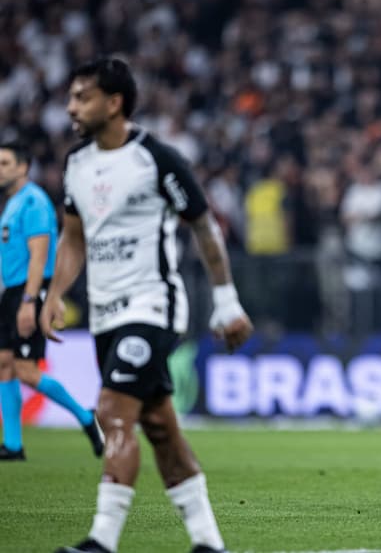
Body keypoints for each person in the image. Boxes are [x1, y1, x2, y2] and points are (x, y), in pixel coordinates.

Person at [40, 58, 253, 553]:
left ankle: (102, 539)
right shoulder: (77, 163)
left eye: (82, 97)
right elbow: (73, 240)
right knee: (160, 427)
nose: (71, 107)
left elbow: (203, 225)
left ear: (114, 103)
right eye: (71, 97)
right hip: (104, 311)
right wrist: (53, 295)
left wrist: (226, 301)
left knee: (113, 410)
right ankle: (208, 542)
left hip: (152, 305)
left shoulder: (156, 158)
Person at [0, 141, 103, 461]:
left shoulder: (33, 202)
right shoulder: (13, 203)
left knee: (27, 371)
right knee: (3, 365)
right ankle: (14, 445)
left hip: (30, 290)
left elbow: (39, 254)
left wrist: (30, 300)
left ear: (23, 167)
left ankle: (86, 417)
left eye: (4, 163)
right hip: (13, 291)